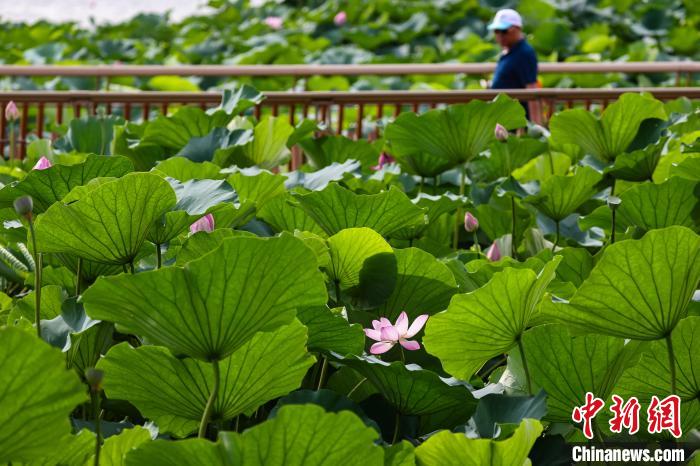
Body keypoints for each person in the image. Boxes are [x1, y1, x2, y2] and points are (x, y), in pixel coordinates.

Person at [487, 9, 542, 124]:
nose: (500, 35)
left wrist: (537, 125)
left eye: (504, 31)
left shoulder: (524, 53)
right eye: (497, 31)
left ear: (517, 29)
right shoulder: (509, 51)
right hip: (504, 119)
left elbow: (532, 90)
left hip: (516, 122)